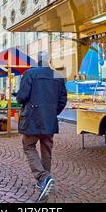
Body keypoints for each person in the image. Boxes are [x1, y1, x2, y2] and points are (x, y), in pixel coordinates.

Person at [16, 51, 67, 202]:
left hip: (32, 118)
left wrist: (18, 96)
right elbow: (63, 99)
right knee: (46, 150)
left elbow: (21, 97)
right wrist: (52, 112)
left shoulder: (30, 73)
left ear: (37, 61)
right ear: (49, 60)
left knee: (28, 146)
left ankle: (43, 178)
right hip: (49, 119)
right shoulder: (58, 76)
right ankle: (44, 181)